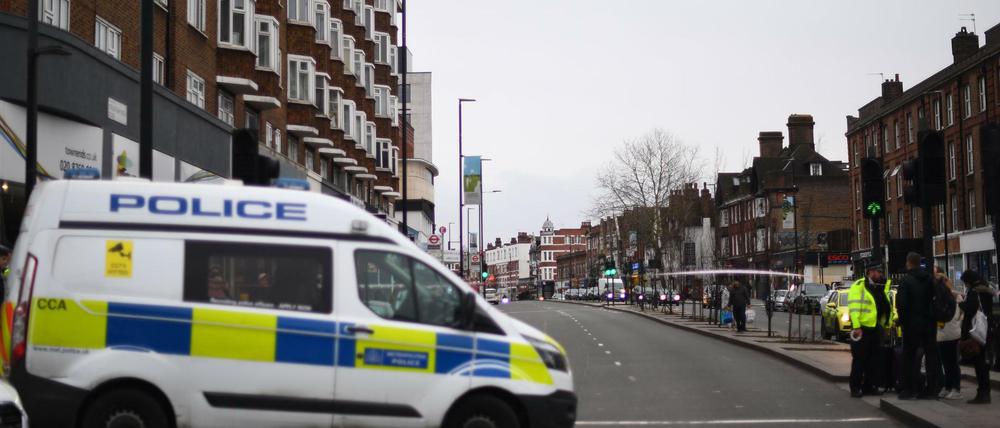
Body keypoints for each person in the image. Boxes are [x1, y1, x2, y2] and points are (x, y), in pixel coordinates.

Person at [896, 252, 940, 400]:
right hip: (929, 324)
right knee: (931, 356)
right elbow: (936, 299)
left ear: (908, 262)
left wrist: (902, 321)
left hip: (911, 324)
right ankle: (931, 389)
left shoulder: (905, 281)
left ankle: (909, 388)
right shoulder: (929, 279)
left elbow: (902, 304)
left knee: (909, 356)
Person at [847, 261, 893, 398]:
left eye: (880, 272)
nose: (880, 274)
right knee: (859, 360)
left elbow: (885, 307)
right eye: (878, 272)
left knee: (874, 360)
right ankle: (855, 387)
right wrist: (856, 327)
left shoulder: (881, 286)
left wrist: (886, 326)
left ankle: (870, 385)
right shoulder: (859, 286)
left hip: (875, 328)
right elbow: (854, 308)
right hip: (862, 329)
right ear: (870, 272)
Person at [959, 270, 993, 404]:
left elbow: (971, 308)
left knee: (979, 363)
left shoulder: (975, 292)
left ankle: (983, 393)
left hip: (976, 332)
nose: (966, 285)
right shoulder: (985, 289)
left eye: (966, 282)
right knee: (983, 362)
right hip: (985, 330)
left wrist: (961, 302)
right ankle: (985, 391)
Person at [934, 267, 963, 400]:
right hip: (944, 332)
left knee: (951, 362)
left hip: (949, 332)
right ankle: (949, 386)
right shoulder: (943, 296)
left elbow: (960, 315)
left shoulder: (954, 296)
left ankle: (955, 387)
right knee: (947, 362)